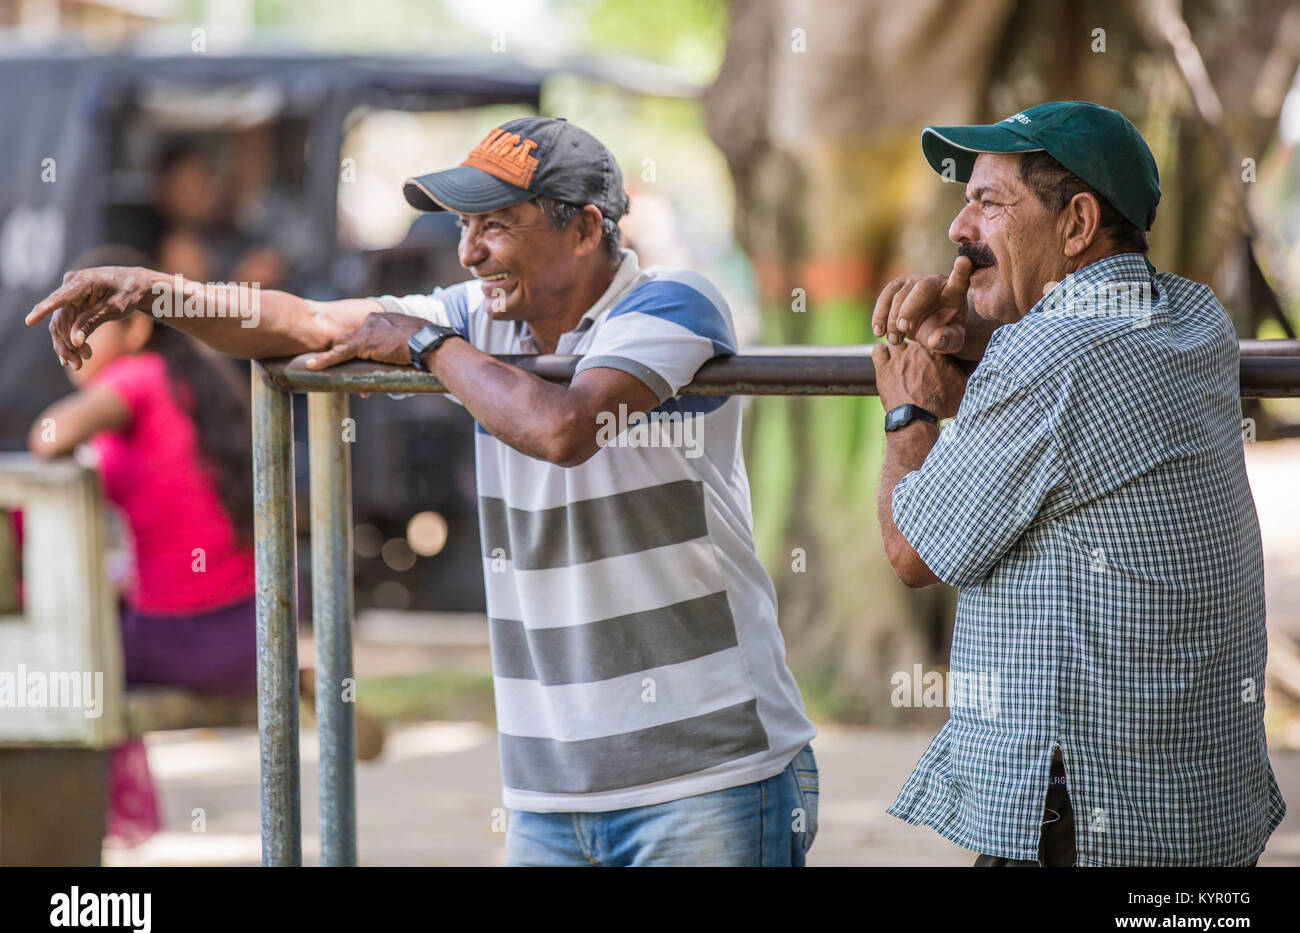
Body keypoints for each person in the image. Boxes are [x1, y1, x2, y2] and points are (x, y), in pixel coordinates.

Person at [27, 118, 819, 867]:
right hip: (552, 790)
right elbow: (302, 322)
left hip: (707, 776)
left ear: (584, 228)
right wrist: (161, 293)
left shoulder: (671, 302)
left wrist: (428, 346)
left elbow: (563, 428)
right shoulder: (479, 319)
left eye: (496, 225)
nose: (469, 253)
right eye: (462, 228)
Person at [867, 101, 1286, 866]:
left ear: (1077, 222)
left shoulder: (1050, 358)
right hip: (1201, 809)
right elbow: (1077, 398)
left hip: (1088, 818)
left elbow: (910, 552)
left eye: (989, 204)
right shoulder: (1196, 316)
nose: (961, 231)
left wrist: (910, 407)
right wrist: (978, 345)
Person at [29, 246, 259, 847]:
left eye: (83, 324)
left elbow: (47, 438)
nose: (68, 340)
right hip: (249, 629)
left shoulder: (134, 380)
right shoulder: (188, 385)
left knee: (45, 670)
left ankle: (95, 824)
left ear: (135, 327)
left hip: (185, 637)